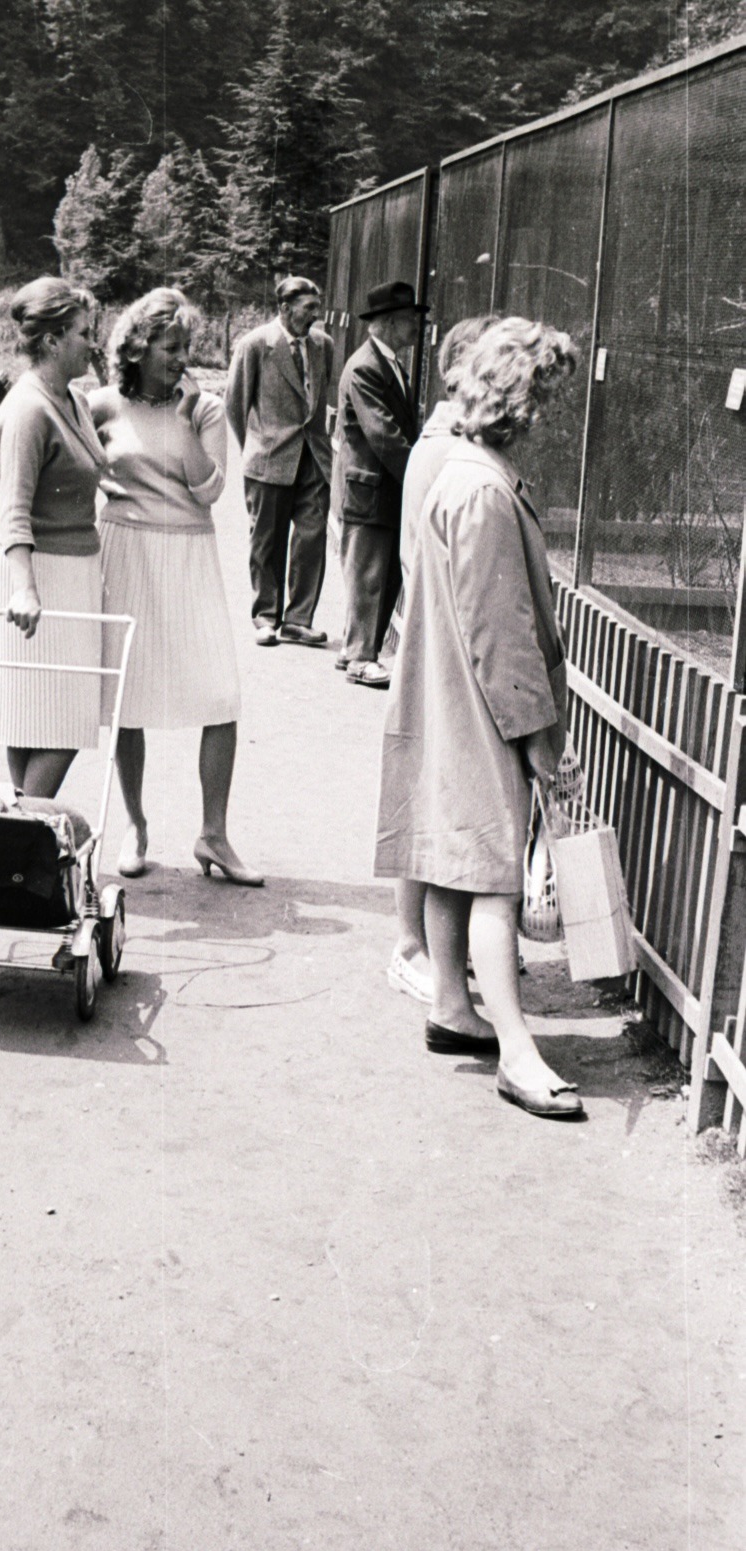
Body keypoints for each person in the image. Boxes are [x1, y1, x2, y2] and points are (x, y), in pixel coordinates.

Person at [375, 318, 582, 1119]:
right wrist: (538, 739)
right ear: (520, 401)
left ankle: (451, 1008)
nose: (554, 419)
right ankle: (518, 1054)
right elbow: (502, 635)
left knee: (455, 861)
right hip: (483, 709)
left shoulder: (459, 469)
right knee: (494, 877)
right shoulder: (484, 490)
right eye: (549, 400)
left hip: (449, 701)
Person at [91, 288, 262, 886]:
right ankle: (136, 825)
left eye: (186, 346)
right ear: (136, 348)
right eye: (170, 346)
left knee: (219, 696)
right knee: (126, 699)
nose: (181, 358)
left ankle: (213, 835)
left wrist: (184, 417)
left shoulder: (205, 409)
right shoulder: (103, 405)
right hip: (125, 553)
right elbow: (77, 468)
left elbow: (210, 489)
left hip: (188, 553)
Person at [386, 314, 500, 1006]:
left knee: (433, 796)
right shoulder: (441, 451)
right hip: (439, 649)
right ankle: (409, 945)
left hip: (439, 643)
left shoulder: (450, 445)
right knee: (428, 800)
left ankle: (432, 948)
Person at [0, 277, 106, 798]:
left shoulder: (71, 398)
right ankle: (24, 840)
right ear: (53, 340)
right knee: (57, 719)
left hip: (73, 572)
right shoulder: (28, 409)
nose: (92, 342)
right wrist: (25, 588)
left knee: (40, 719)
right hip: (37, 578)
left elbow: (84, 466)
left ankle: (18, 849)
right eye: (83, 332)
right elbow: (13, 509)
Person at [225, 276, 333, 647]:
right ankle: (266, 617)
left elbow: (317, 398)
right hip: (269, 457)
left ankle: (299, 619)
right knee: (266, 541)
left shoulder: (323, 345)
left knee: (312, 538)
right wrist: (255, 447)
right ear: (285, 309)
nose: (316, 316)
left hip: (314, 458)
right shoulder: (255, 344)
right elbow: (234, 405)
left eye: (317, 308)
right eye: (309, 309)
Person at [333, 281, 425, 687]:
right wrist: (422, 476)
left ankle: (356, 650)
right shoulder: (367, 366)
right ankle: (359, 656)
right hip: (370, 487)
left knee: (380, 572)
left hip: (377, 487)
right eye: (411, 319)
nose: (418, 326)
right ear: (389, 322)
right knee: (369, 573)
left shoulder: (386, 363)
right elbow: (385, 435)